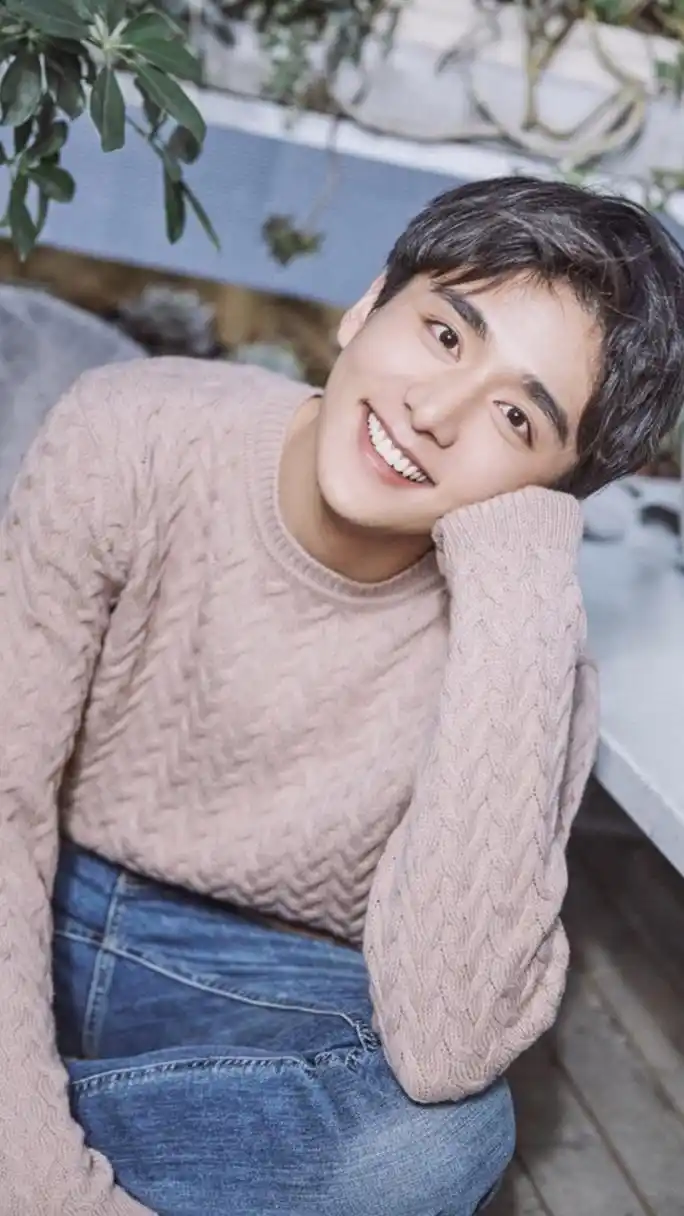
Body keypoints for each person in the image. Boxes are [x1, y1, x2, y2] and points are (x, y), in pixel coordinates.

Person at [1, 176, 683, 1216]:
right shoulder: (134, 430)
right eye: (445, 336)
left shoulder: (527, 636)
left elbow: (449, 1041)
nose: (433, 413)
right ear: (369, 305)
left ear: (556, 490)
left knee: (438, 1142)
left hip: (259, 979)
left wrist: (518, 576)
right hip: (43, 885)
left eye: (515, 416)